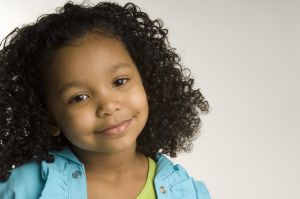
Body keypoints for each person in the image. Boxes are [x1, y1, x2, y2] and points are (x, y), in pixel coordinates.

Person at [0, 1, 211, 198]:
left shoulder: (185, 191)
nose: (108, 106)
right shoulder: (25, 187)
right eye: (79, 97)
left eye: (120, 82)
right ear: (50, 118)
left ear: (147, 84)